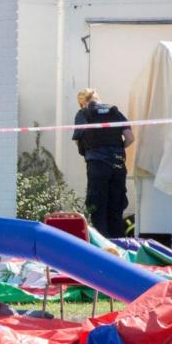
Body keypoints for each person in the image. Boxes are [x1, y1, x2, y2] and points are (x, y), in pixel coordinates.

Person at [72, 88, 135, 238]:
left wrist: (88, 151)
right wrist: (118, 149)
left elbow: (78, 139)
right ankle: (118, 249)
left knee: (98, 209)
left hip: (97, 166)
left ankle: (103, 251)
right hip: (118, 166)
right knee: (116, 208)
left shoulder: (83, 113)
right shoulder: (114, 112)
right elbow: (130, 137)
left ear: (82, 102)